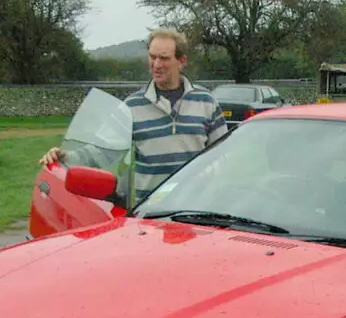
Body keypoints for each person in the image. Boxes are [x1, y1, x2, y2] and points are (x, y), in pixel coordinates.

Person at [39, 29, 224, 201]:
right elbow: (101, 152)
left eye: (164, 58)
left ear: (181, 61)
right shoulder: (131, 107)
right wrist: (65, 157)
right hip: (153, 213)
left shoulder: (206, 101)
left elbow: (224, 154)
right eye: (152, 57)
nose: (156, 65)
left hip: (197, 210)